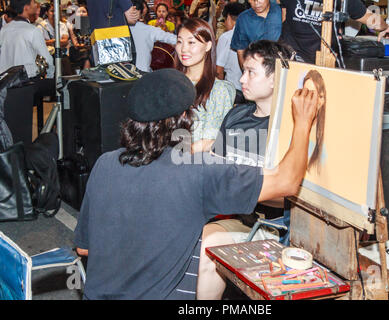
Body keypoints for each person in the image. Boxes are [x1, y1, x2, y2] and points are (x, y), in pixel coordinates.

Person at [74, 67, 319, 300]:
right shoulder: (198, 171)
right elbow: (287, 182)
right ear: (184, 118)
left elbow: (84, 250)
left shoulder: (105, 164)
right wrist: (303, 122)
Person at [198, 40, 293, 300]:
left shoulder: (290, 127)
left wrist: (241, 187)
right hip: (243, 219)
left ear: (276, 79)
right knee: (189, 237)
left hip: (278, 227)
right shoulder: (237, 116)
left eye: (251, 72)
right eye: (243, 71)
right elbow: (215, 168)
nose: (241, 79)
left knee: (208, 245)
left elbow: (292, 193)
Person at [175, 18, 235, 153]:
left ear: (208, 46)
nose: (183, 49)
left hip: (195, 165)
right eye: (180, 41)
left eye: (191, 42)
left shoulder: (218, 90)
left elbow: (210, 142)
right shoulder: (171, 83)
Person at [279, 0, 389, 64]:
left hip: (321, 60)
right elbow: (372, 20)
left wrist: (385, 27)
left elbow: (284, 17)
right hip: (290, 57)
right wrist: (386, 27)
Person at [0, 0, 54, 79]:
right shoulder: (33, 30)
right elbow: (47, 60)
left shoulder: (4, 29)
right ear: (26, 8)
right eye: (34, 3)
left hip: (6, 83)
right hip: (27, 82)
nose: (36, 6)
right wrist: (50, 77)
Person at [230, 0, 282, 69]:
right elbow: (241, 51)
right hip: (257, 69)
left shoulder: (281, 11)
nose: (256, 2)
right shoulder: (243, 19)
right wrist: (247, 73)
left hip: (281, 68)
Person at [129, 0, 177, 72]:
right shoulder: (149, 29)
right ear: (141, 13)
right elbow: (174, 39)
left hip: (120, 74)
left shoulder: (115, 29)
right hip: (143, 73)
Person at [216, 1, 246, 104]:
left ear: (228, 17)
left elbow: (219, 70)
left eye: (224, 20)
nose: (224, 23)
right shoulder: (251, 34)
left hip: (232, 91)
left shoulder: (227, 37)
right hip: (248, 91)